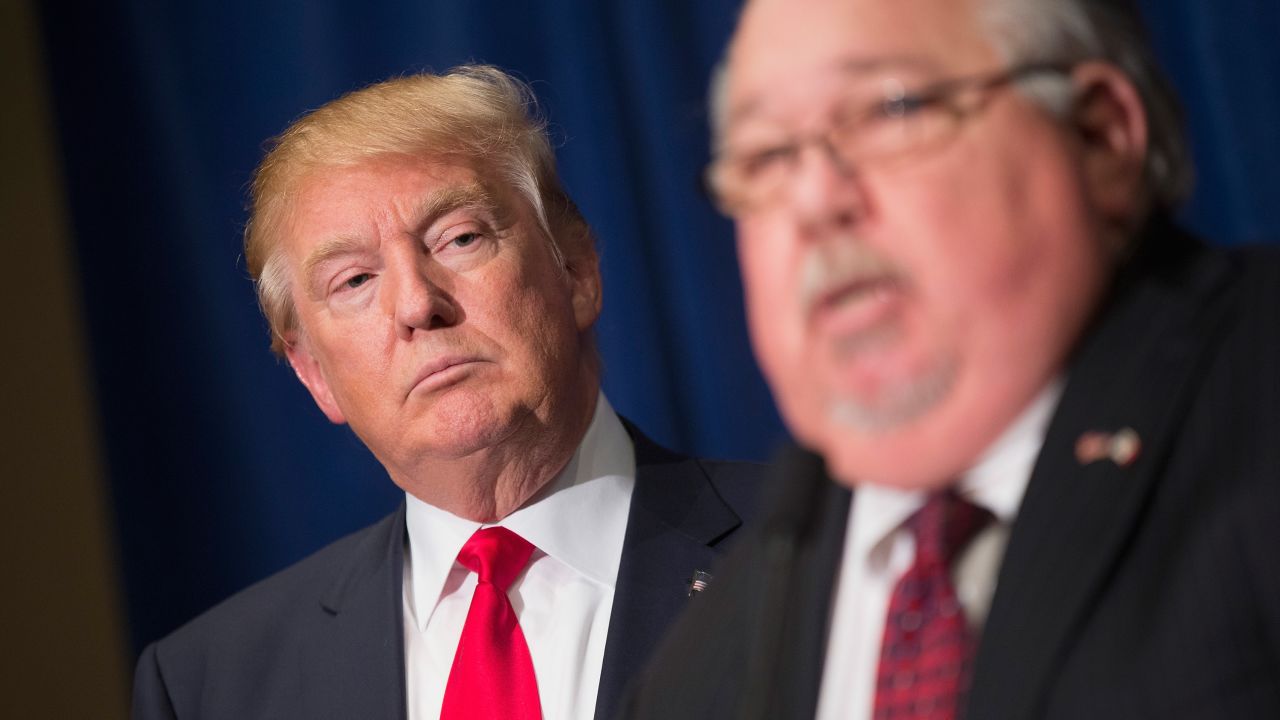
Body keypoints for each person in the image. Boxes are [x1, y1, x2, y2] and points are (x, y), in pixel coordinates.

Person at [622, 0, 1280, 718]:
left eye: (889, 110)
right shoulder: (703, 662)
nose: (813, 201)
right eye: (766, 156)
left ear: (1100, 134)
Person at [130, 65, 765, 720]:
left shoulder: (815, 551)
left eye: (460, 239)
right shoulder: (208, 686)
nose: (415, 304)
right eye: (353, 281)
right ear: (314, 373)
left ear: (575, 273)